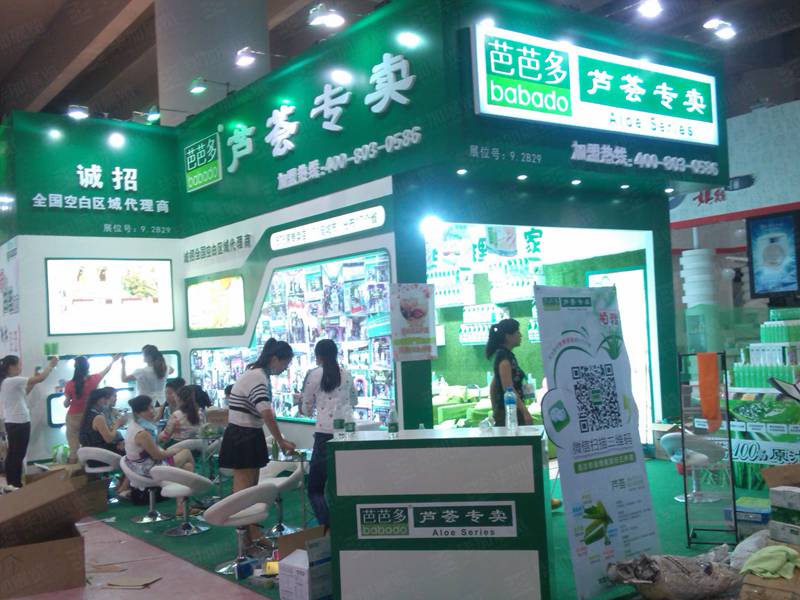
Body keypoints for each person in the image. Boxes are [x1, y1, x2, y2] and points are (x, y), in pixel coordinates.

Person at [218, 339, 297, 543]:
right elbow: (266, 412)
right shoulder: (257, 377)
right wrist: (281, 441)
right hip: (242, 436)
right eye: (285, 363)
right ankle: (244, 540)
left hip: (247, 434)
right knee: (244, 492)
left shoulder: (258, 374)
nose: (285, 368)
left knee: (250, 490)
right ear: (274, 359)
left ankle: (252, 535)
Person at [301, 339, 357, 528]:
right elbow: (354, 401)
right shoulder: (347, 374)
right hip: (347, 434)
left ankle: (329, 527)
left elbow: (306, 409)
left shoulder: (313, 375)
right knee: (345, 484)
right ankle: (347, 525)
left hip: (324, 435)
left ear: (318, 356)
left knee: (315, 488)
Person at [123, 395, 195, 516]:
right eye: (147, 409)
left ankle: (182, 506)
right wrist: (173, 451)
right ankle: (188, 498)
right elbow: (158, 455)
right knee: (186, 453)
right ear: (138, 412)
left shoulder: (135, 425)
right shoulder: (142, 432)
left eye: (152, 407)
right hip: (147, 469)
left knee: (187, 467)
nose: (152, 411)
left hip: (138, 466)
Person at [0, 355, 59, 488]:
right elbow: (41, 378)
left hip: (14, 421)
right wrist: (51, 365)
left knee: (14, 454)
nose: (21, 368)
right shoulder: (12, 380)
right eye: (19, 365)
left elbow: (24, 392)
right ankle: (15, 484)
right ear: (11, 367)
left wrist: (34, 378)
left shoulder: (8, 382)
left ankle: (13, 483)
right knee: (17, 454)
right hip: (19, 422)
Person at [64, 354, 121, 463]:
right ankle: (86, 466)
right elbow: (106, 370)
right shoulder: (94, 379)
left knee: (73, 446)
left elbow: (66, 404)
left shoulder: (69, 384)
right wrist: (113, 360)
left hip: (73, 416)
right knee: (87, 443)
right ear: (88, 367)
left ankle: (73, 469)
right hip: (87, 416)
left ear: (75, 367)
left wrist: (70, 400)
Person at [79, 387, 130, 494]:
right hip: (100, 457)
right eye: (106, 399)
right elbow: (109, 438)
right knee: (133, 455)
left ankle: (122, 483)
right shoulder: (98, 417)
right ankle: (123, 486)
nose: (108, 401)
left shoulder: (87, 415)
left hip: (90, 457)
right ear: (99, 400)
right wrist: (117, 424)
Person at [485, 319, 533, 428]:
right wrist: (525, 412)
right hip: (510, 414)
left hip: (505, 411)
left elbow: (493, 385)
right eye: (517, 332)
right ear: (508, 336)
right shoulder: (504, 358)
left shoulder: (505, 356)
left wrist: (495, 409)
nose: (520, 335)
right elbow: (508, 388)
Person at [121, 345, 174, 419]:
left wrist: (123, 365)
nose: (143, 357)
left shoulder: (141, 372)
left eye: (143, 355)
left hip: (145, 404)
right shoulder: (165, 368)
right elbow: (172, 370)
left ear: (149, 357)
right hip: (161, 402)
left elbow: (124, 379)